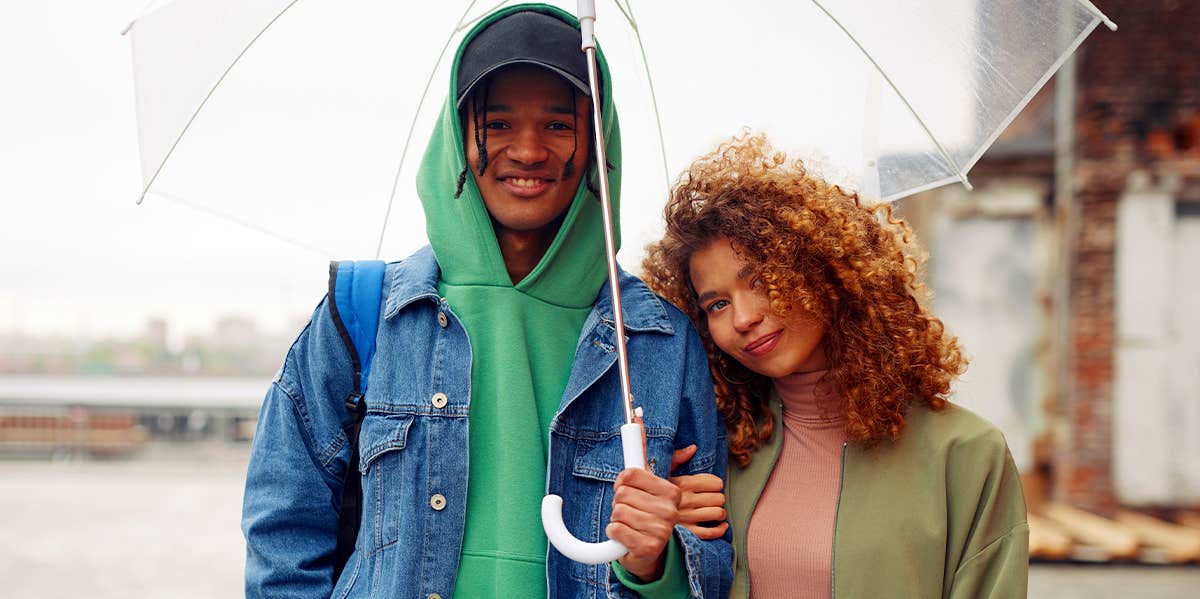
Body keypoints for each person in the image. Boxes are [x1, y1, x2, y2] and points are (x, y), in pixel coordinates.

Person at [241, 6, 732, 598]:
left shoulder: (662, 342)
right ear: (458, 135)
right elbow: (283, 533)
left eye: (557, 125)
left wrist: (656, 565)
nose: (527, 151)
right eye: (497, 124)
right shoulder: (362, 312)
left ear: (599, 142)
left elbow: (711, 557)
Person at [643, 133, 1029, 598]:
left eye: (761, 280)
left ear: (823, 268)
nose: (744, 318)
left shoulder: (966, 453)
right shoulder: (715, 453)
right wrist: (660, 557)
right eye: (717, 304)